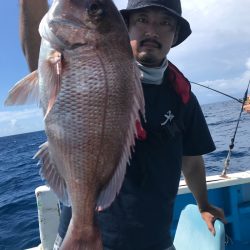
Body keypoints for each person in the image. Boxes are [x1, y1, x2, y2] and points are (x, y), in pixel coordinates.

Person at [20, 0, 226, 249]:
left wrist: (203, 204)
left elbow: (191, 160)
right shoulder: (80, 66)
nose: (152, 30)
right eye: (142, 20)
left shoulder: (182, 96)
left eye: (165, 23)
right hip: (79, 234)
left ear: (175, 35)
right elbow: (39, 63)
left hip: (155, 242)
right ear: (126, 26)